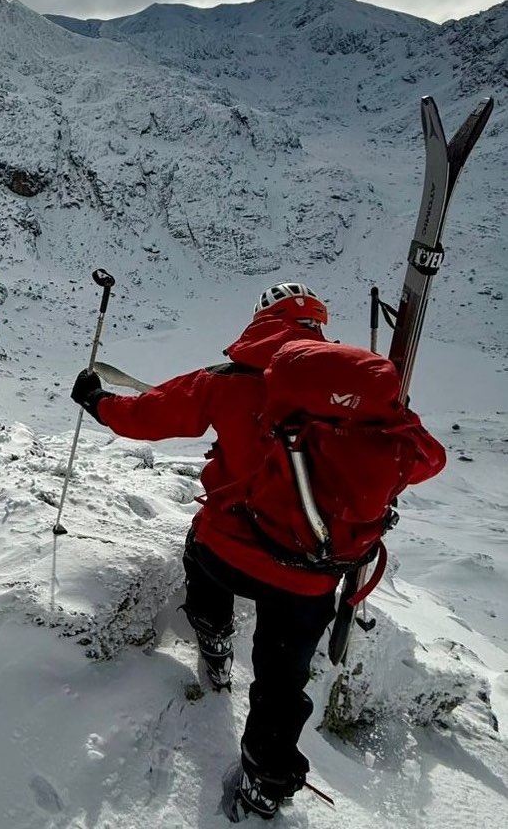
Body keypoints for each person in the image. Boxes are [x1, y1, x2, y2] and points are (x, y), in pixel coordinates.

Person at [69, 282, 445, 821]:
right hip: (311, 576)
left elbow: (144, 417)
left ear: (261, 320)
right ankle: (267, 782)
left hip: (227, 548)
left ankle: (215, 642)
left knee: (200, 557)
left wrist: (96, 400)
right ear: (318, 326)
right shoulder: (358, 397)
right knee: (281, 680)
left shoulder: (226, 381)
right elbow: (428, 459)